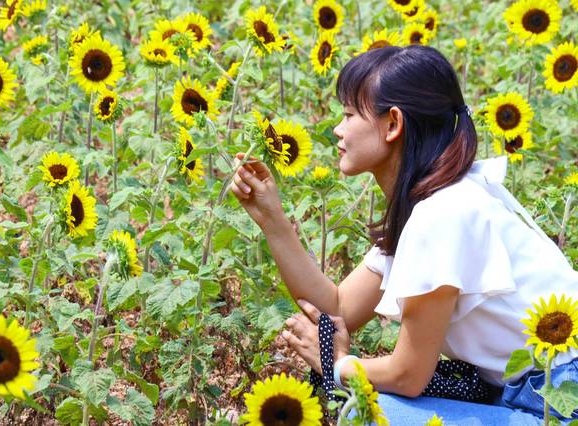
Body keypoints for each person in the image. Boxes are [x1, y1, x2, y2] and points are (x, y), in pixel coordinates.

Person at [230, 45, 578, 425]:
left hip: (561, 398)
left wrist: (339, 365)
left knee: (363, 412)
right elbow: (337, 307)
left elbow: (409, 375)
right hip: (533, 391)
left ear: (393, 124)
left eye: (349, 114)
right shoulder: (436, 202)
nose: (337, 130)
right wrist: (273, 219)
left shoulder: (443, 214)